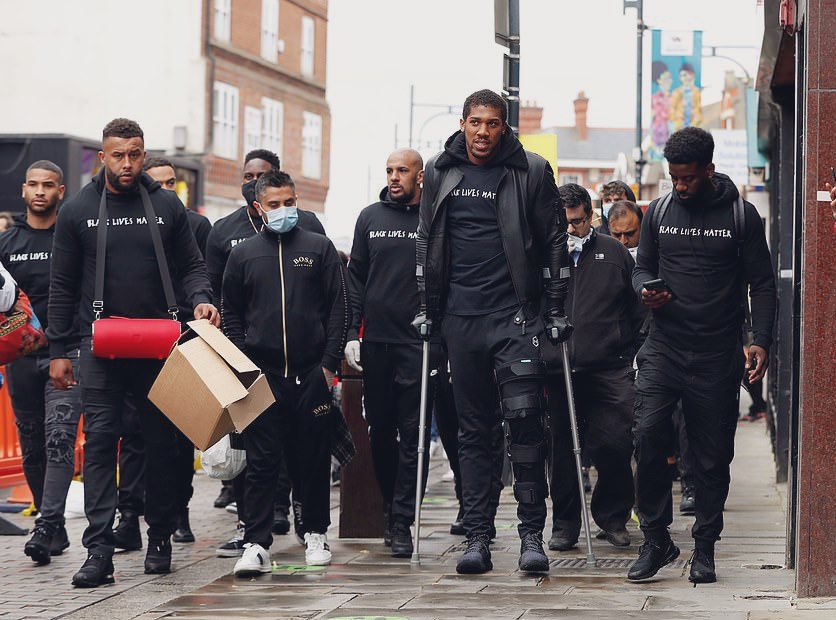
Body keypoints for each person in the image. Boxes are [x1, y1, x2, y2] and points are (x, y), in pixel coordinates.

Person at [48, 118, 218, 587]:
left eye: (135, 154)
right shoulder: (78, 208)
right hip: (98, 346)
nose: (127, 163)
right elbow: (62, 284)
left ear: (144, 154)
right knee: (101, 445)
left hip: (161, 347)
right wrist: (60, 348)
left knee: (163, 446)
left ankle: (160, 535)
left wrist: (202, 296)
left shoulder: (166, 204)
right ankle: (99, 551)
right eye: (117, 155)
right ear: (102, 157)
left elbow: (191, 265)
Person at [416, 89, 572, 575]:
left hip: (515, 317)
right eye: (476, 123)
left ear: (505, 126)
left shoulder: (530, 170)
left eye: (493, 124)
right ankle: (478, 538)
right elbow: (425, 241)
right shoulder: (440, 170)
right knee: (473, 431)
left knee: (525, 425)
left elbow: (554, 242)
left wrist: (554, 309)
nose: (483, 132)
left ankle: (531, 536)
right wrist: (427, 309)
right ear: (463, 123)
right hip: (461, 320)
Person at [628, 127, 776, 584]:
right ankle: (656, 538)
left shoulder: (741, 216)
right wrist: (645, 290)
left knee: (712, 458)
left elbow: (764, 284)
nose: (680, 185)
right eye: (674, 177)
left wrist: (761, 340)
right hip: (664, 346)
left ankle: (705, 545)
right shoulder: (659, 212)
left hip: (716, 352)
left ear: (709, 171)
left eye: (688, 178)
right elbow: (643, 266)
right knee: (647, 435)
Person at [221, 170, 347, 575]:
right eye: (274, 204)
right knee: (261, 464)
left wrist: (328, 367)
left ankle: (315, 533)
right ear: (259, 208)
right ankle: (257, 544)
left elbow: (338, 309)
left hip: (312, 374)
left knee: (311, 460)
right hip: (263, 377)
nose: (283, 210)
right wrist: (246, 369)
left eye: (289, 202)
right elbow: (232, 317)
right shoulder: (242, 256)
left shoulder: (320, 248)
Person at [204, 149, 319, 556]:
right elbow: (222, 296)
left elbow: (329, 298)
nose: (254, 179)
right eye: (249, 175)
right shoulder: (226, 234)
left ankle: (308, 524)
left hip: (304, 367)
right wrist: (236, 355)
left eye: (263, 174)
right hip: (254, 364)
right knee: (258, 453)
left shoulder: (311, 234)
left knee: (303, 449)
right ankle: (254, 531)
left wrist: (328, 353)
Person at [110, 157, 213, 550]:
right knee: (134, 433)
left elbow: (201, 273)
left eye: (172, 182)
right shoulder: (129, 222)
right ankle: (130, 515)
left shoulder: (195, 224)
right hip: (136, 337)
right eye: (159, 183)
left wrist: (203, 310)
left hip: (183, 334)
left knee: (179, 431)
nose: (166, 189)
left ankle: (177, 512)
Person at [344, 148, 434, 557]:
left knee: (414, 435)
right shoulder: (369, 217)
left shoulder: (432, 218)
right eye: (389, 170)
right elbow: (355, 278)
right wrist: (351, 332)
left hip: (419, 344)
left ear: (420, 175)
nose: (394, 177)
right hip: (376, 342)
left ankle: (401, 520)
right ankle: (390, 510)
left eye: (402, 170)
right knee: (380, 431)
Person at [544, 184, 643, 553]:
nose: (572, 229)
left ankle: (613, 517)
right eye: (565, 222)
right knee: (564, 450)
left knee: (615, 444)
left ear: (591, 217)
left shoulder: (614, 252)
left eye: (579, 221)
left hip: (609, 367)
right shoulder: (547, 254)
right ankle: (565, 525)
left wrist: (630, 352)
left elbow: (636, 312)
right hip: (560, 367)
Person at [0, 160, 83, 565]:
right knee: (32, 443)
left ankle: (47, 523)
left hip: (65, 355)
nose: (40, 192)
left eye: (48, 185)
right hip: (19, 357)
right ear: (23, 190)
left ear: (61, 191)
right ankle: (54, 527)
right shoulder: (7, 241)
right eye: (33, 185)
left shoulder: (72, 237)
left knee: (60, 438)